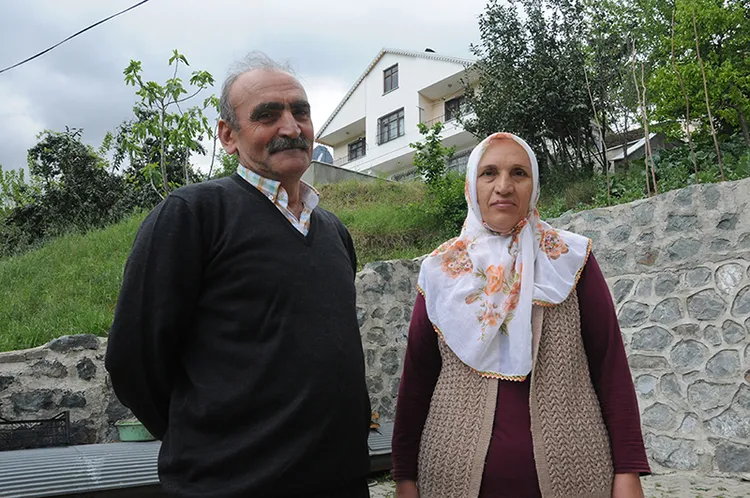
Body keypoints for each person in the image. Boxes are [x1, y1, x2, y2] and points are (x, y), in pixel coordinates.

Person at [105, 52, 371, 498]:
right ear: (228, 136)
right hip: (231, 486)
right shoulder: (193, 216)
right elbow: (134, 361)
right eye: (268, 115)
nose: (291, 128)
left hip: (341, 482)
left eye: (300, 112)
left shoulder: (332, 231)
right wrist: (207, 442)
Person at [391, 132, 650, 498]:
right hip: (450, 478)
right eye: (489, 173)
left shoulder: (570, 260)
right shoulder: (441, 271)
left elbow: (610, 367)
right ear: (471, 185)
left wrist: (628, 470)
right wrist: (404, 476)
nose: (504, 186)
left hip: (576, 477)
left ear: (534, 185)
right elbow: (417, 379)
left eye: (518, 173)